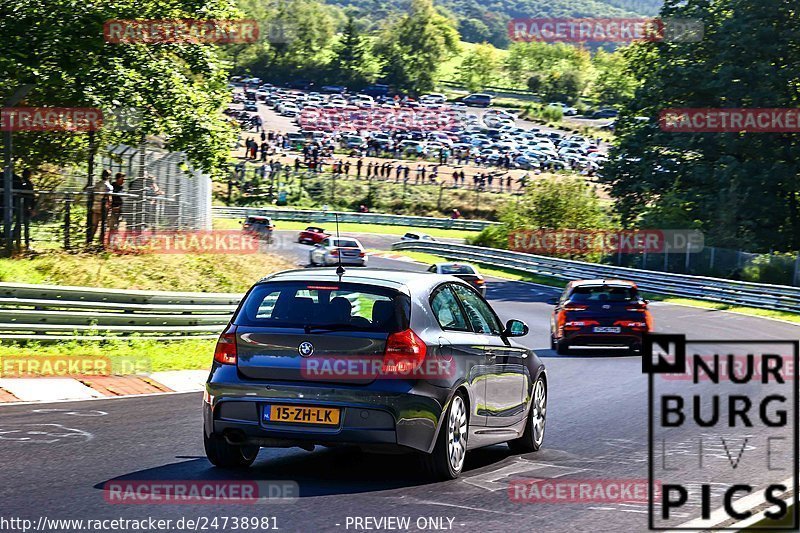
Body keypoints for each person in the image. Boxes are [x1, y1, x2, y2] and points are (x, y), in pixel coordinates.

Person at [89, 169, 113, 241]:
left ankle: (90, 240)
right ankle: (101, 242)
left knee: (94, 224)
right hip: (104, 207)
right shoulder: (108, 186)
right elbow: (109, 198)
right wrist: (109, 207)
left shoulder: (97, 184)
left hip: (95, 206)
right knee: (104, 224)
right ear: (109, 176)